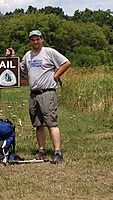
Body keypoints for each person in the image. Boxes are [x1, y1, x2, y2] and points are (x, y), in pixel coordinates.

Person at [7, 30, 71, 164]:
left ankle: (57, 152)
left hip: (47, 93)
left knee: (51, 123)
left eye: (37, 39)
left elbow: (66, 63)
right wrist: (13, 57)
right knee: (38, 124)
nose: (35, 42)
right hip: (34, 94)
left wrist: (56, 75)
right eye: (32, 40)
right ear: (29, 41)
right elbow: (22, 69)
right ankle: (41, 150)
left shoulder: (49, 52)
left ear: (42, 39)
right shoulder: (28, 55)